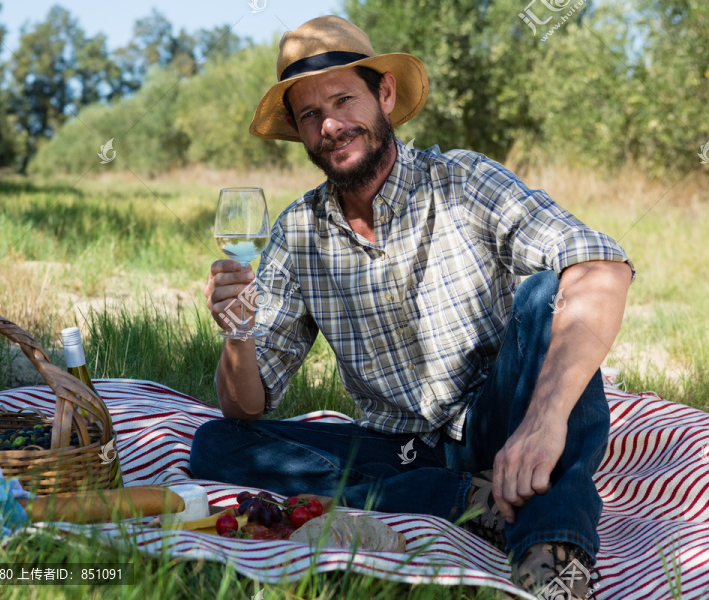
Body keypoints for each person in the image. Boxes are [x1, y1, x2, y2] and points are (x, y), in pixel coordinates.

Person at [190, 15, 633, 598]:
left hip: (493, 419)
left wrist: (544, 420)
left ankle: (552, 551)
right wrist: (238, 331)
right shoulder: (298, 233)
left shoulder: (463, 182)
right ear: (299, 133)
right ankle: (466, 500)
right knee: (216, 444)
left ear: (386, 96)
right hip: (394, 447)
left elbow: (601, 267)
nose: (330, 125)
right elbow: (244, 405)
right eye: (308, 115)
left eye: (344, 99)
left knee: (550, 299)